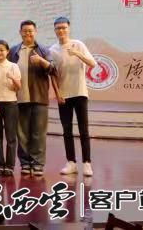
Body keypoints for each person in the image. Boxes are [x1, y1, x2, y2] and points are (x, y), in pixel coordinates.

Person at [9, 20, 60, 177]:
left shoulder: (43, 50)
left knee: (38, 133)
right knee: (22, 133)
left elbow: (54, 70)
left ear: (35, 32)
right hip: (19, 98)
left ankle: (38, 164)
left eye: (30, 31)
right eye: (25, 31)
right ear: (20, 32)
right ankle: (25, 163)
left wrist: (41, 61)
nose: (28, 34)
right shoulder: (14, 51)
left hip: (39, 97)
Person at [49, 17, 97, 177]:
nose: (61, 31)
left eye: (63, 27)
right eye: (58, 28)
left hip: (80, 92)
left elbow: (92, 63)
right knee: (67, 130)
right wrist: (58, 93)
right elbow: (53, 75)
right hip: (64, 95)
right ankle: (71, 163)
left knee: (84, 129)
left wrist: (77, 53)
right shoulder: (52, 50)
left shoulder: (78, 44)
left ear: (69, 28)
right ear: (55, 30)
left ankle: (87, 163)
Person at [0, 39, 21, 177]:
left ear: (7, 51)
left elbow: (18, 87)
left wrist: (13, 78)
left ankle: (10, 166)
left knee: (11, 136)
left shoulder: (13, 66)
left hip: (10, 104)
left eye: (2, 50)